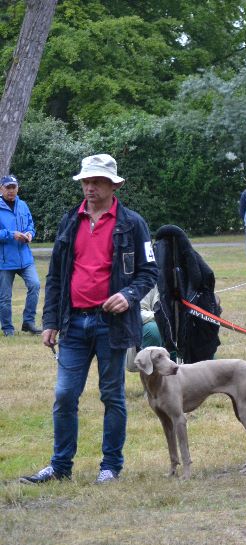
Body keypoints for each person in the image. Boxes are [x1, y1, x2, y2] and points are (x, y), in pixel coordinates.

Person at [19, 153, 157, 484]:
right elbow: (55, 277)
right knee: (65, 394)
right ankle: (60, 466)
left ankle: (110, 467)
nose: (89, 187)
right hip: (74, 324)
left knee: (112, 395)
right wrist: (50, 320)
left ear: (113, 185)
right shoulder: (70, 221)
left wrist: (128, 295)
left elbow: (149, 271)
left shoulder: (133, 223)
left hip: (113, 325)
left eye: (96, 181)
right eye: (86, 181)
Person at [0, 174, 41, 336]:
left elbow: (31, 225)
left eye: (13, 187)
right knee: (4, 298)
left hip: (25, 258)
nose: (11, 191)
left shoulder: (23, 205)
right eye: (7, 187)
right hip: (4, 261)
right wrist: (11, 234)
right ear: (1, 188)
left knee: (35, 285)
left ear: (18, 188)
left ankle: (28, 322)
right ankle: (8, 329)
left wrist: (30, 234)